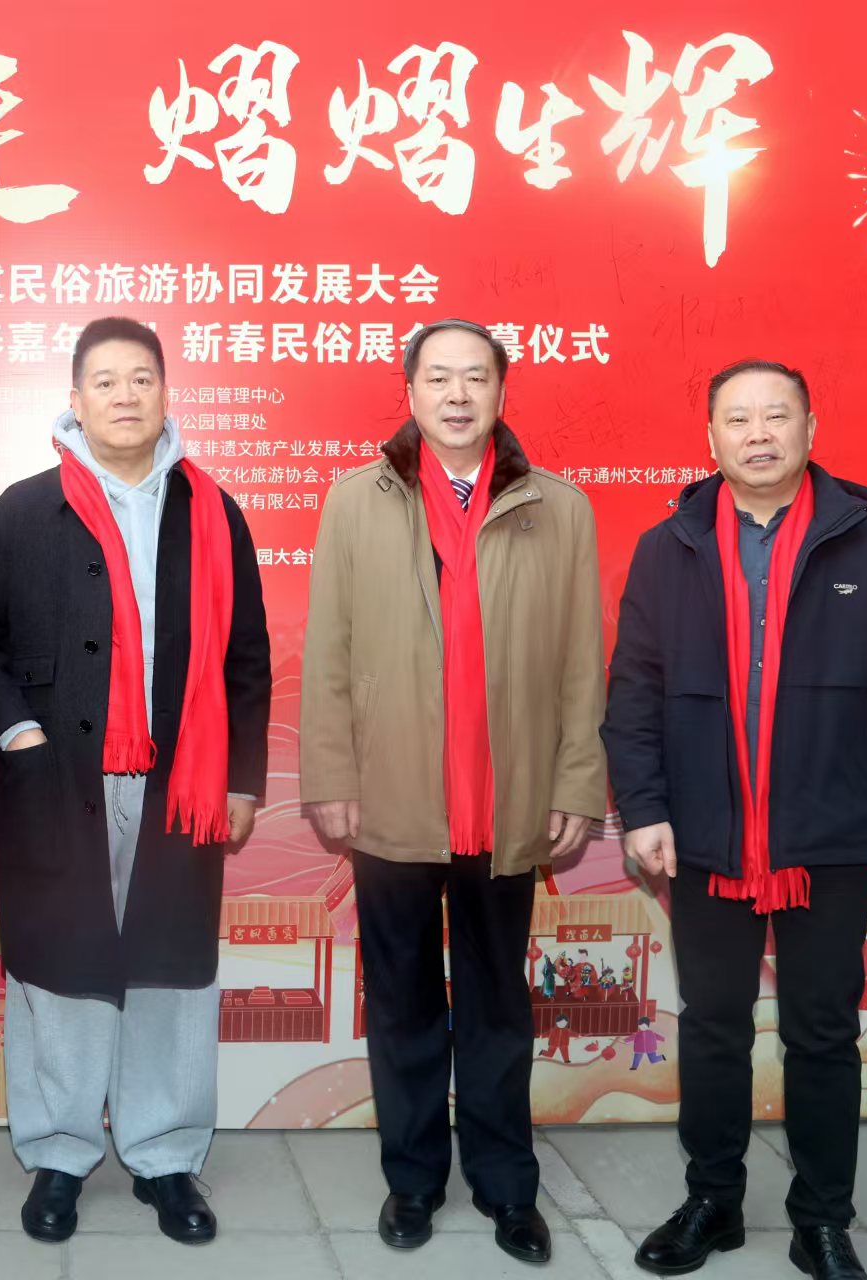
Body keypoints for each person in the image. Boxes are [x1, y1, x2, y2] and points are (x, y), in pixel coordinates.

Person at [601, 359, 867, 1280]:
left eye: (776, 416)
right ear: (710, 438)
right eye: (738, 419)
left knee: (823, 1033)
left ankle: (822, 1220)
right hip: (705, 837)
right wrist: (643, 808)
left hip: (827, 836)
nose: (757, 435)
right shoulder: (669, 546)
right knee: (712, 1024)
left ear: (809, 428)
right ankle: (713, 1201)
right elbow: (633, 691)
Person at [0, 316, 271, 1246]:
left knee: (171, 968)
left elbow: (246, 655)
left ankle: (165, 1157)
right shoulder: (25, 510)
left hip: (183, 783)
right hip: (60, 780)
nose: (125, 395)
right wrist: (15, 730)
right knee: (60, 969)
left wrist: (241, 778)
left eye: (141, 378)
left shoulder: (212, 511)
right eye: (105, 380)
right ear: (76, 398)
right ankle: (58, 1154)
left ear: (166, 392)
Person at [300, 319, 607, 1263]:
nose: (459, 395)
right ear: (411, 392)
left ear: (502, 392)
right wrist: (330, 777)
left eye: (476, 377)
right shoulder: (355, 502)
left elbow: (580, 664)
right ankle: (413, 1182)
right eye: (439, 378)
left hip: (506, 799)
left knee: (497, 1002)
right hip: (391, 794)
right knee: (401, 1000)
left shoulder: (559, 508)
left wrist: (575, 781)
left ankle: (508, 1187)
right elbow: (329, 653)